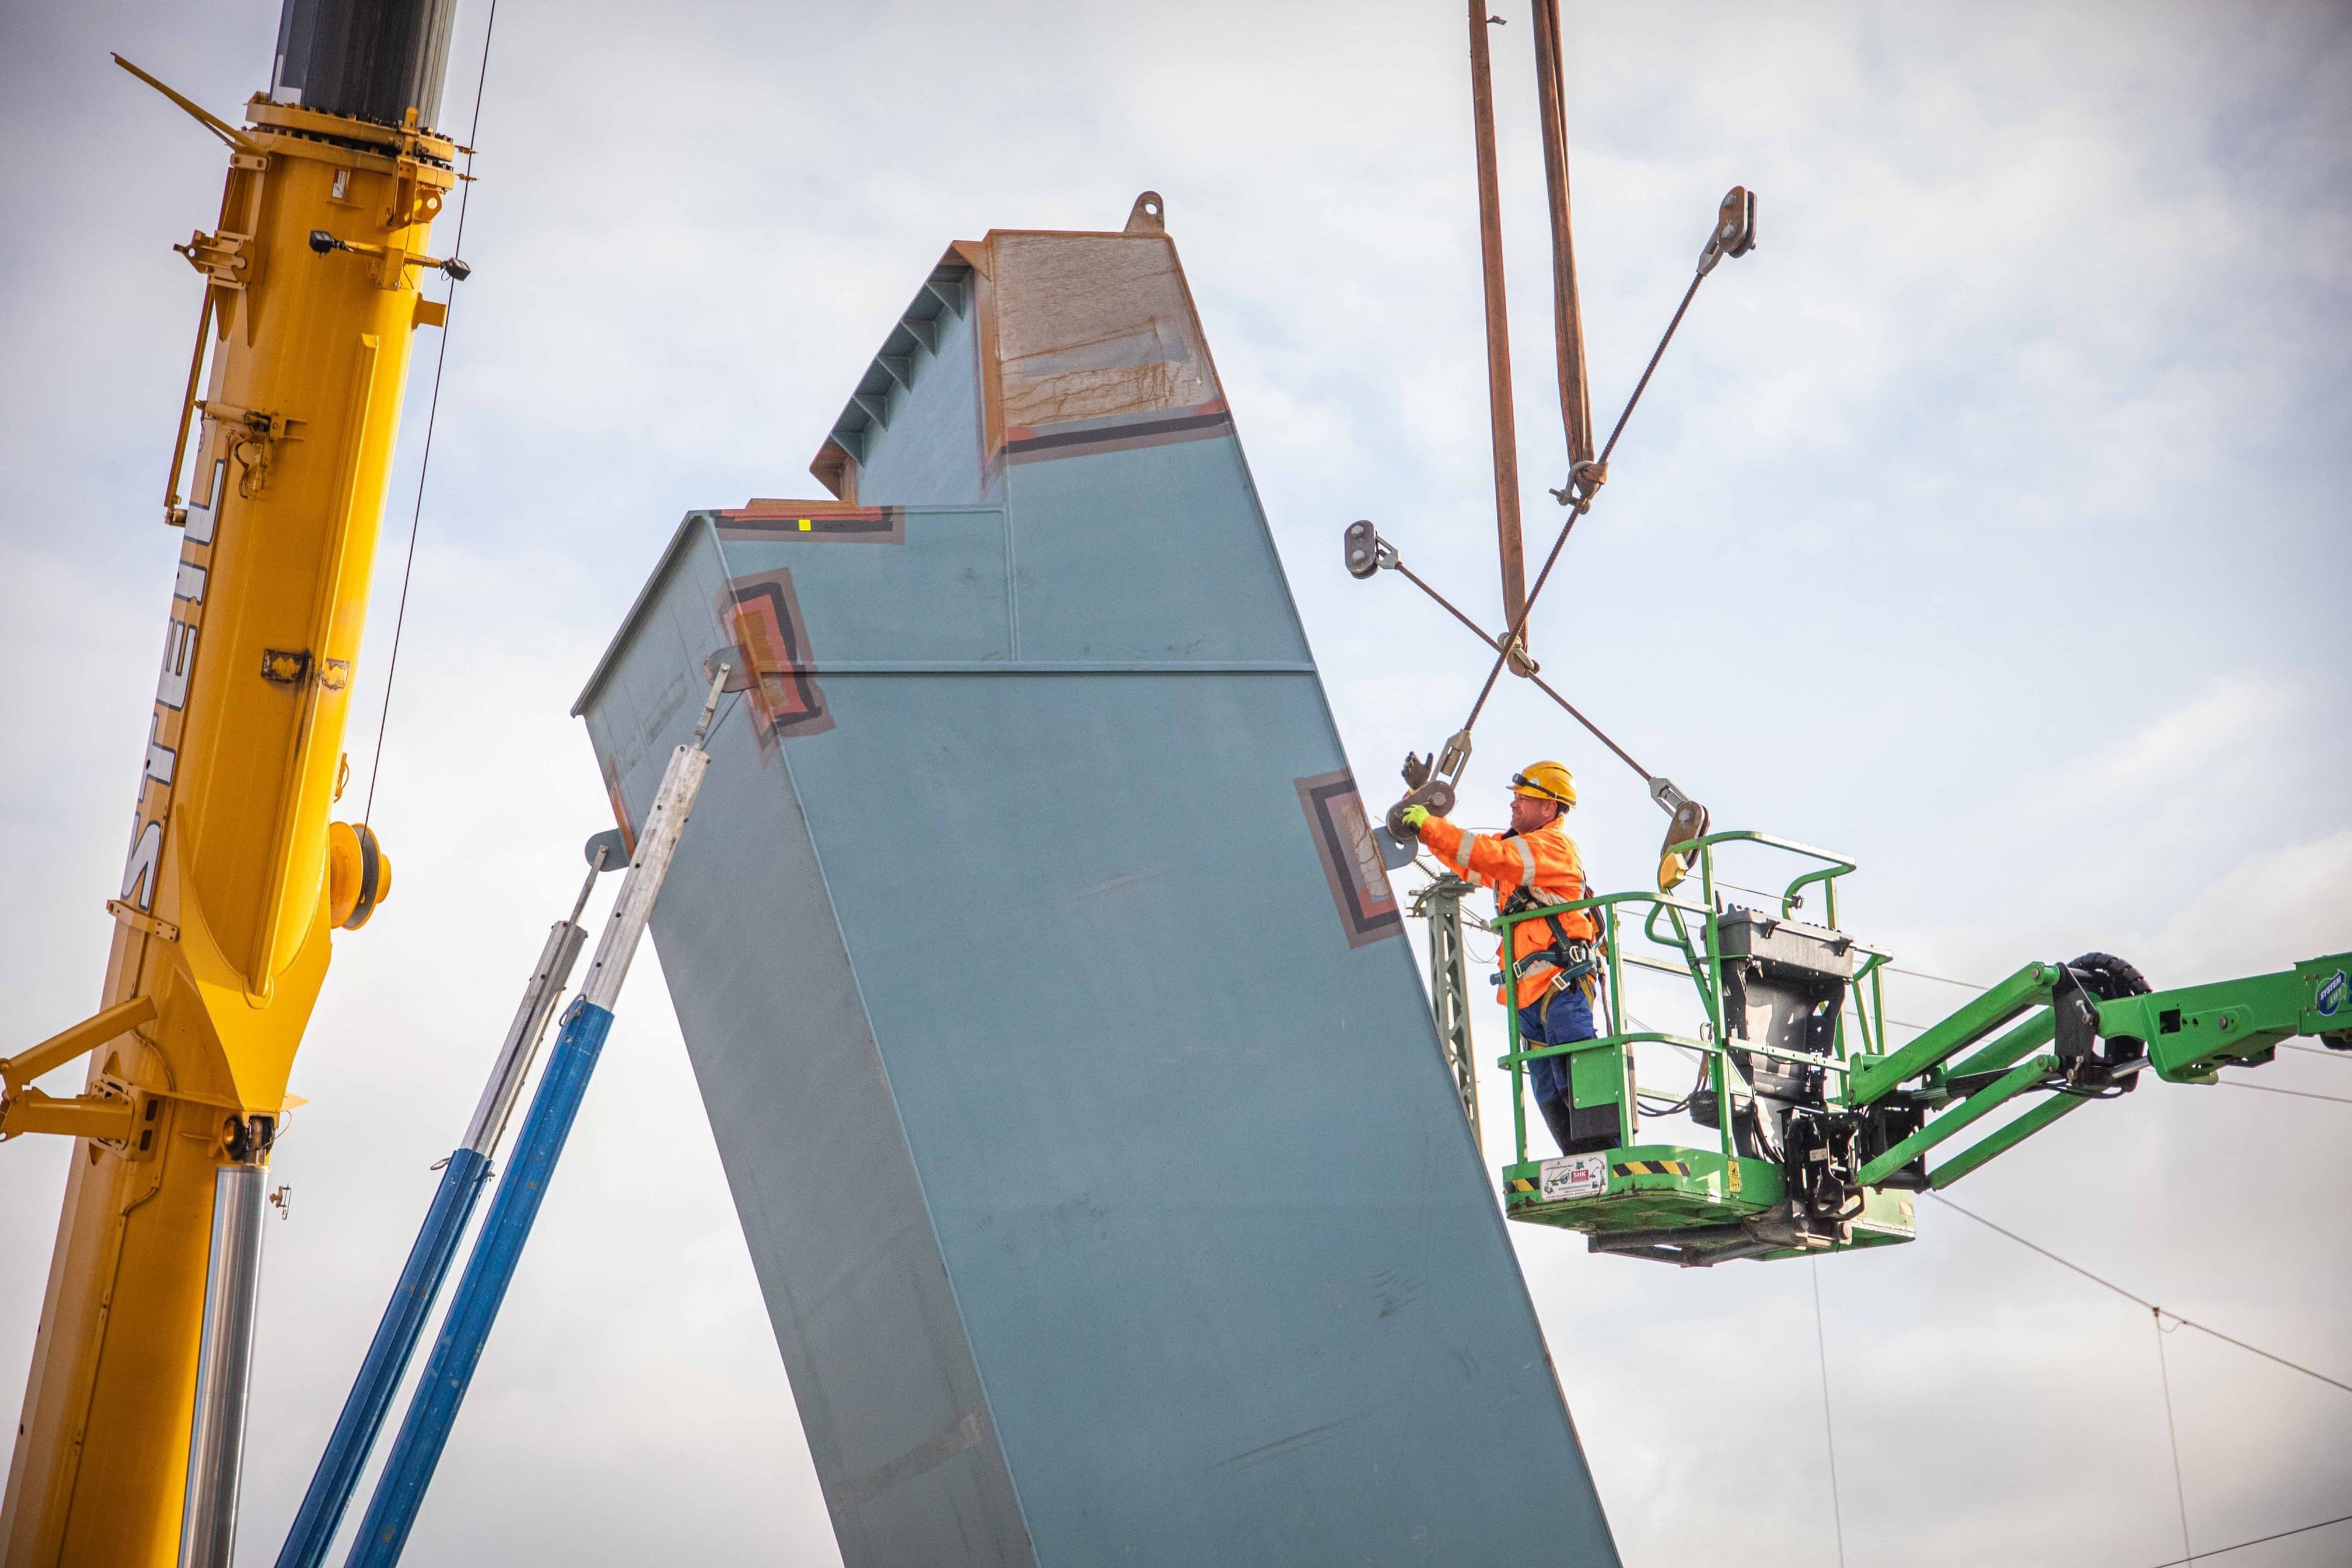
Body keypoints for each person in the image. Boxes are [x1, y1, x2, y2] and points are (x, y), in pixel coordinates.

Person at [1402, 761, 1602, 1158]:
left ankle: (1605, 1155)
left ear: (1549, 809)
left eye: (1523, 798)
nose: (1513, 805)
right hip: (1530, 995)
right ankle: (1578, 1161)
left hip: (1562, 986)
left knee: (1578, 1074)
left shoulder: (1552, 849)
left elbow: (1488, 855)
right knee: (1548, 1086)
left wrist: (1429, 822)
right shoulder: (1520, 855)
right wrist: (1421, 804)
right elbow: (1469, 860)